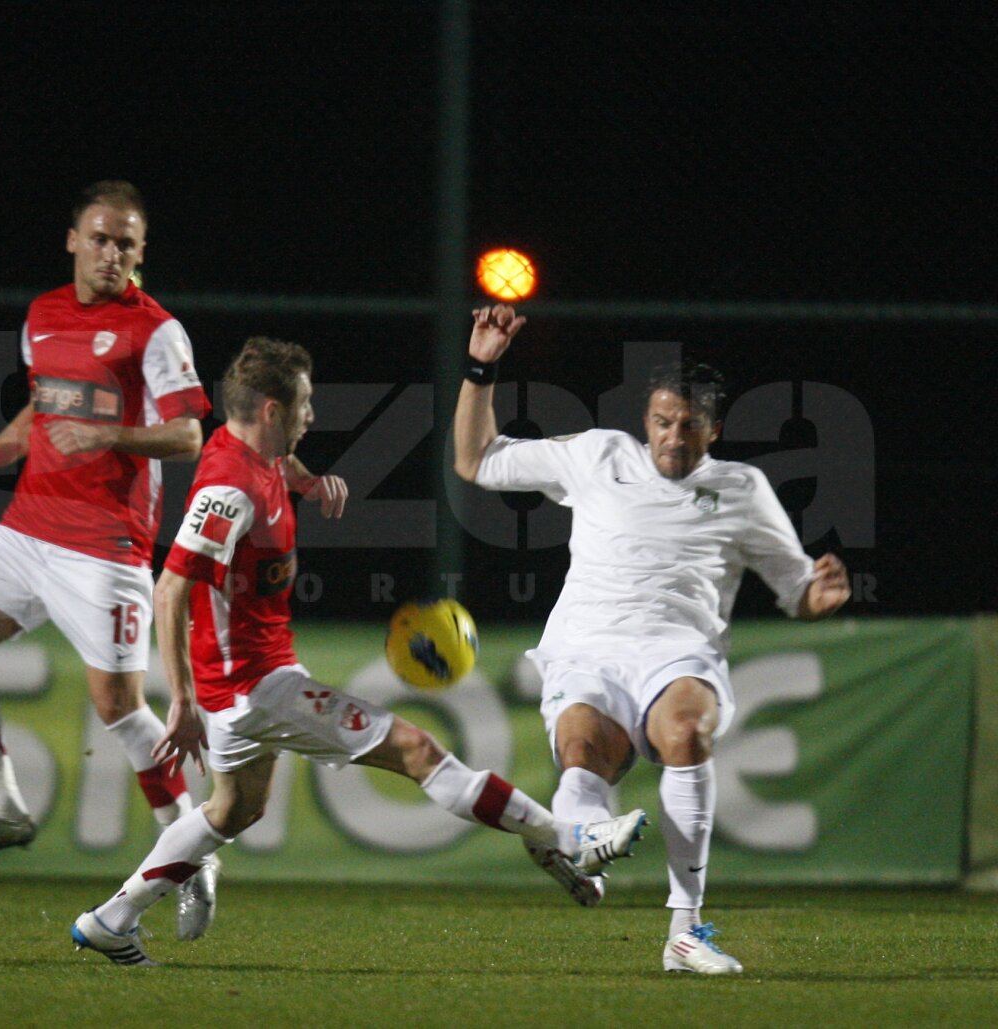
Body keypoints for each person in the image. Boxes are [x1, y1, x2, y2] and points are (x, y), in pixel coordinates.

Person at [69, 336, 647, 966]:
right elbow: (171, 589)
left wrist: (309, 483)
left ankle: (110, 919)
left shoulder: (248, 451)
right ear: (271, 410)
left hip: (246, 682)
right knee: (419, 752)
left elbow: (272, 471)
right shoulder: (228, 490)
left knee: (234, 810)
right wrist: (180, 700)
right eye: (305, 403)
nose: (312, 415)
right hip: (253, 686)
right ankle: (572, 836)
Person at [453, 304, 850, 976]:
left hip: (679, 652)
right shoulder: (598, 455)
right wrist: (480, 365)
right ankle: (577, 838)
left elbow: (797, 591)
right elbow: (475, 460)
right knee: (582, 751)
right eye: (663, 421)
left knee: (689, 731)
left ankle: (684, 931)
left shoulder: (741, 488)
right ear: (646, 421)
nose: (672, 436)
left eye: (688, 424)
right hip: (586, 646)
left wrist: (821, 593)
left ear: (713, 428)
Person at [0, 180, 220, 939]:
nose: (111, 252)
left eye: (126, 243)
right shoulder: (42, 315)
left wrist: (112, 437)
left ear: (139, 254)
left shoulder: (156, 332)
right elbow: (41, 409)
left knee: (117, 706)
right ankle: (5, 806)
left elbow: (187, 436)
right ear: (73, 239)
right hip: (26, 529)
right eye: (100, 237)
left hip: (106, 545)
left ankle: (191, 853)